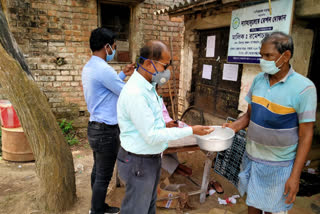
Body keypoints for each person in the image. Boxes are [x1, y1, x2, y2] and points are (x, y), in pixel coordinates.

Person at [223, 32, 317, 214]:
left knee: (275, 209)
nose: (262, 60)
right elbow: (249, 116)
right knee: (253, 205)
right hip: (252, 158)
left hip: (279, 167)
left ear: (286, 56)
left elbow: (306, 135)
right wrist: (233, 127)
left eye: (268, 56)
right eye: (261, 55)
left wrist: (295, 176)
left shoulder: (304, 88)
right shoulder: (258, 80)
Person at [116, 40, 214, 214]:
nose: (167, 71)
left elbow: (149, 121)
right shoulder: (135, 93)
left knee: (148, 206)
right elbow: (151, 135)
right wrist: (191, 130)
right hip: (139, 161)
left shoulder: (149, 86)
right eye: (165, 65)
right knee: (136, 210)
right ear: (148, 63)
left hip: (150, 158)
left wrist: (165, 124)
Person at [82, 27, 134, 214]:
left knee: (98, 171)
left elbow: (107, 88)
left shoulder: (90, 67)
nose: (114, 50)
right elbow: (125, 92)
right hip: (106, 131)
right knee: (104, 176)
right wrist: (139, 79)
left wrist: (122, 74)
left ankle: (98, 206)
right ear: (106, 47)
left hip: (95, 128)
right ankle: (96, 211)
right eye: (113, 46)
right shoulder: (104, 69)